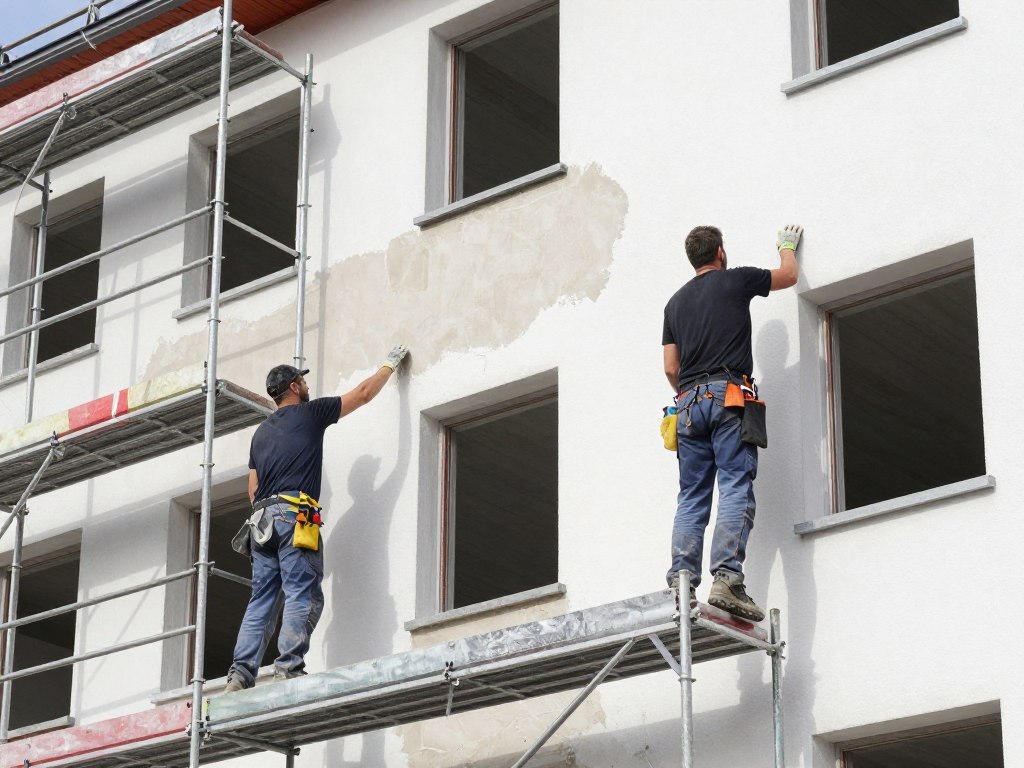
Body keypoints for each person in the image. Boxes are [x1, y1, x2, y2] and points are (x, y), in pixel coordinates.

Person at [224, 345, 408, 692]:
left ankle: (239, 675)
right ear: (294, 387)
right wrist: (389, 365)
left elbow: (253, 489)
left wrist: (271, 513)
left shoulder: (260, 433)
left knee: (262, 599)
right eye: (303, 382)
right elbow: (363, 394)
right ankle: (288, 667)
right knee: (301, 590)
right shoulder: (311, 413)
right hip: (298, 513)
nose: (307, 386)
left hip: (261, 520)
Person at [662, 225, 802, 622]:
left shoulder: (674, 304)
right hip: (730, 397)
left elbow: (671, 368)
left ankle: (681, 584)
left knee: (692, 496)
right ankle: (726, 578)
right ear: (720, 252)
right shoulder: (737, 280)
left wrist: (692, 391)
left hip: (687, 405)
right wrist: (786, 247)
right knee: (735, 485)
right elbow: (788, 276)